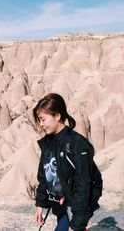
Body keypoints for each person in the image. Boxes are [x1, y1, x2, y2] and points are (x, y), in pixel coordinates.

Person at [33, 93, 97, 231]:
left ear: (57, 116)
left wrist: (77, 223)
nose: (41, 124)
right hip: (61, 203)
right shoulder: (49, 143)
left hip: (76, 204)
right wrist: (40, 205)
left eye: (43, 119)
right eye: (39, 120)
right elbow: (44, 176)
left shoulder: (77, 143)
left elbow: (84, 184)